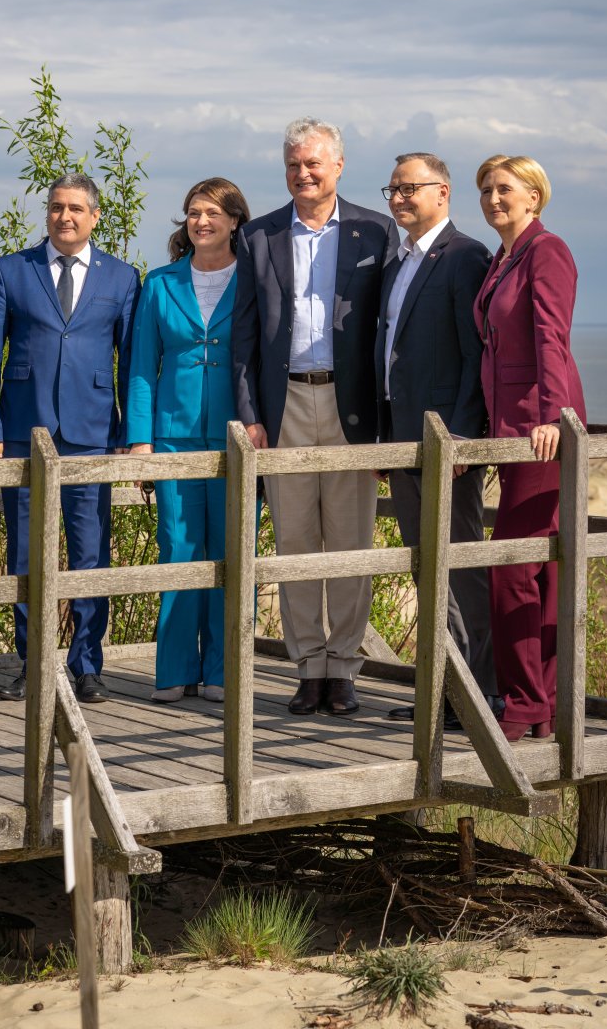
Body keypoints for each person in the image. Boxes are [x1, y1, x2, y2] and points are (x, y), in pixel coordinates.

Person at [232, 117, 398, 716]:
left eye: (313, 163)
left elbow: (389, 327)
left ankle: (344, 668)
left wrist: (386, 422)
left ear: (338, 166)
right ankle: (308, 667)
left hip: (351, 405)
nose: (303, 174)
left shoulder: (375, 231)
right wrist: (251, 414)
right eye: (293, 165)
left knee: (351, 541)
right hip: (285, 407)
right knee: (295, 541)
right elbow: (245, 334)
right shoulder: (259, 235)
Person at [0, 174, 141, 703]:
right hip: (23, 432)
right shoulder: (11, 270)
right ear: (47, 213)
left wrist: (130, 432)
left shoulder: (123, 277)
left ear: (94, 216)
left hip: (93, 434)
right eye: (56, 207)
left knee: (91, 555)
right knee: (26, 553)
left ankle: (87, 667)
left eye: (75, 209)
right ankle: (34, 663)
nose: (65, 217)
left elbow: (131, 363)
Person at [374, 153, 497, 730]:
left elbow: (476, 354)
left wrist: (464, 437)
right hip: (403, 438)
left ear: (442, 192)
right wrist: (384, 434)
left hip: (448, 442)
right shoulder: (398, 260)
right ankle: (443, 691)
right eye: (393, 189)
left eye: (410, 188)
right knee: (427, 569)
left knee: (462, 566)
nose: (399, 198)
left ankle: (481, 695)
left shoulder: (466, 255)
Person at [474, 155, 586, 741]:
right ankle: (544, 707)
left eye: (504, 188)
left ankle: (522, 702)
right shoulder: (504, 258)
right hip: (510, 430)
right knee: (540, 565)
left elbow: (551, 338)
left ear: (533, 197)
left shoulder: (548, 251)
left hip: (541, 434)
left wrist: (552, 418)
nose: (493, 198)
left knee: (511, 565)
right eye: (486, 189)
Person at [126, 179, 251, 704]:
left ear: (235, 221)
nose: (202, 222)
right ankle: (174, 669)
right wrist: (140, 442)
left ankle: (223, 671)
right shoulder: (159, 284)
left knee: (231, 551)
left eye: (213, 213)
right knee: (177, 550)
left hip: (238, 438)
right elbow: (140, 368)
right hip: (173, 439)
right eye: (194, 213)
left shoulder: (255, 279)